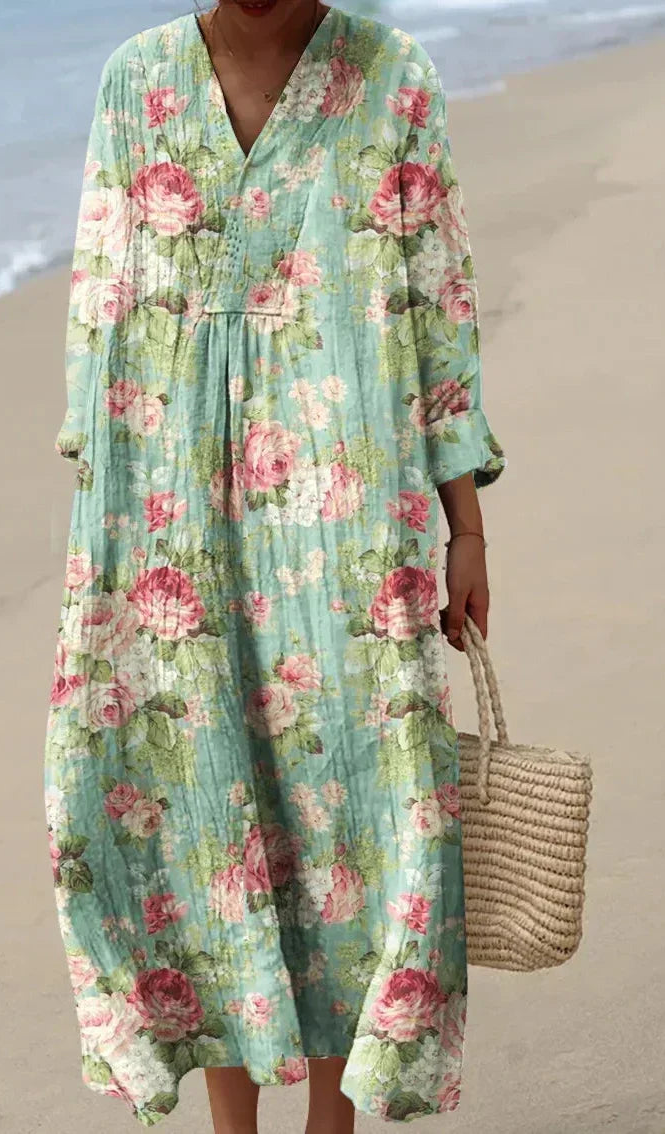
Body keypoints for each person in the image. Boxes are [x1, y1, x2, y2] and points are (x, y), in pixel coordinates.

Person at [43, 2, 507, 1132]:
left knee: (354, 800)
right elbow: (100, 311)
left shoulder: (391, 76)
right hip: (169, 502)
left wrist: (467, 528)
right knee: (194, 796)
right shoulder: (138, 81)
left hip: (348, 513)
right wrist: (107, 534)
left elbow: (436, 307)